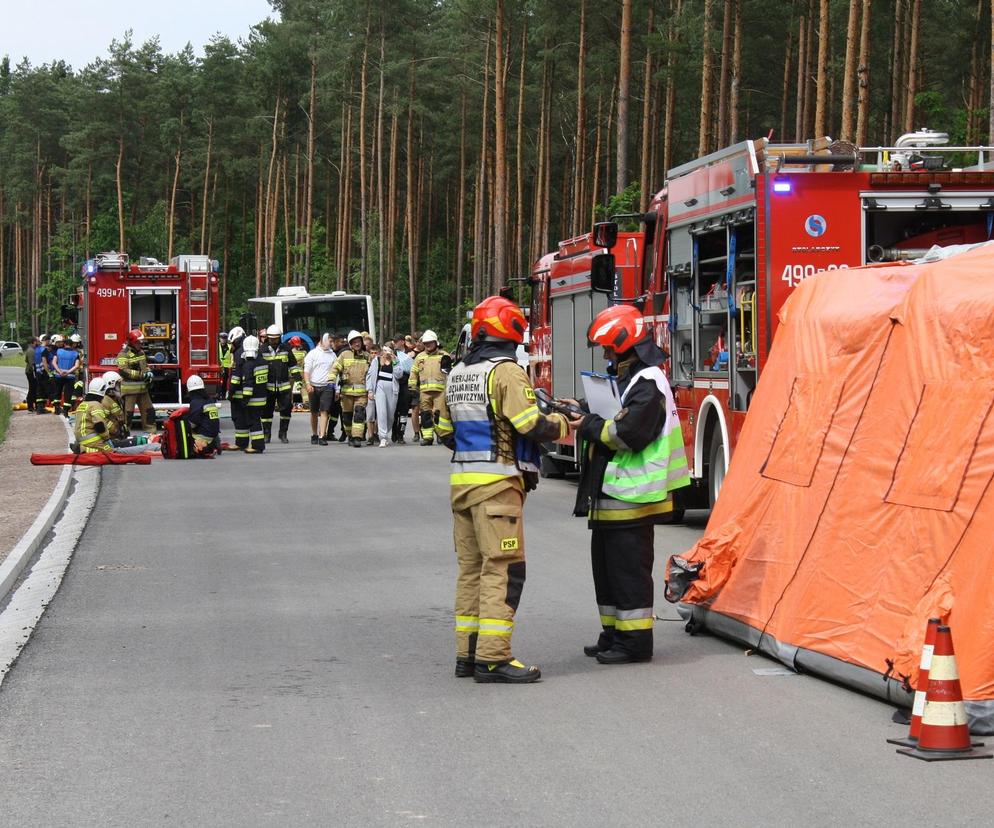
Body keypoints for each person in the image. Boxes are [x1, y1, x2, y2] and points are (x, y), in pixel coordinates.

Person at [435, 296, 577, 684]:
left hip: (462, 486)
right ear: (511, 330)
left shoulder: (459, 372)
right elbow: (530, 424)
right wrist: (566, 424)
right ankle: (494, 658)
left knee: (471, 571)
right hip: (497, 488)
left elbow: (444, 432)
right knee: (504, 570)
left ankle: (467, 654)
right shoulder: (507, 372)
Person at [573, 305, 691, 665]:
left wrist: (587, 424)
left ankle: (635, 643)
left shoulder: (649, 382)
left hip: (635, 495)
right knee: (607, 571)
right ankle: (614, 634)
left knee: (627, 572)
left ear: (627, 346)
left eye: (610, 349)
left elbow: (627, 432)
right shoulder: (634, 380)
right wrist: (579, 408)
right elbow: (615, 409)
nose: (607, 356)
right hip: (616, 493)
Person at [329, 330, 370, 448]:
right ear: (350, 343)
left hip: (361, 394)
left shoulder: (367, 357)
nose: (357, 344)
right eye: (354, 342)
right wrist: (331, 380)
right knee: (346, 417)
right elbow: (335, 368)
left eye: (359, 342)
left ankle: (357, 437)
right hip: (346, 393)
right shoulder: (344, 355)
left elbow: (372, 373)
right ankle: (350, 436)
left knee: (359, 414)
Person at [261, 324, 301, 443]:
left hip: (284, 386)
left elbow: (293, 365)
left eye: (276, 338)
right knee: (266, 412)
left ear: (279, 337)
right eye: (271, 338)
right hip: (268, 387)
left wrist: (298, 379)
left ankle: (283, 434)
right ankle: (266, 435)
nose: (274, 341)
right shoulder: (262, 350)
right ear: (268, 337)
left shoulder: (286, 348)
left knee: (286, 410)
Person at [409, 329, 448, 445]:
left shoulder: (444, 356)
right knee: (425, 415)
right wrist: (412, 387)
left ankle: (441, 436)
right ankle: (427, 437)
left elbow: (451, 372)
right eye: (426, 343)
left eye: (430, 342)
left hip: (440, 391)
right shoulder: (420, 357)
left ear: (436, 342)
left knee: (440, 415)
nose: (428, 345)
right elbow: (414, 372)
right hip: (424, 392)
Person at [117, 329, 156, 432]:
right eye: (138, 342)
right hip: (130, 391)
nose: (141, 344)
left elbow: (144, 366)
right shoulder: (123, 354)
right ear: (132, 342)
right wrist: (142, 375)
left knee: (149, 412)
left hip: (143, 389)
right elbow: (123, 371)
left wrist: (148, 371)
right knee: (127, 415)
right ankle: (125, 435)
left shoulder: (141, 353)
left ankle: (152, 434)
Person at [303, 333, 337, 445]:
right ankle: (314, 434)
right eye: (329, 341)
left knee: (325, 411)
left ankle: (322, 435)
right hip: (313, 386)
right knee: (313, 412)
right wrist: (308, 384)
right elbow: (307, 370)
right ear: (323, 340)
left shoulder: (333, 355)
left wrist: (336, 388)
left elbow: (336, 372)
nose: (331, 344)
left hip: (327, 386)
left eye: (332, 342)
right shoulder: (312, 354)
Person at [367, 345, 404, 448]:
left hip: (392, 388)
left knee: (390, 415)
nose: (386, 353)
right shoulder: (377, 360)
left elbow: (399, 375)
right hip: (380, 387)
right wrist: (370, 390)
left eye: (388, 350)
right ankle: (383, 437)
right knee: (381, 412)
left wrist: (395, 361)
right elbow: (370, 375)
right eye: (384, 350)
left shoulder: (396, 361)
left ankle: (385, 432)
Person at [239, 335, 268, 453]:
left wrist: (245, 399)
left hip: (252, 400)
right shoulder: (264, 362)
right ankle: (258, 444)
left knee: (253, 422)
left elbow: (248, 383)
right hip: (262, 398)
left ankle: (257, 446)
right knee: (257, 421)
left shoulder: (248, 365)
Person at [73, 377, 114, 453]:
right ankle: (83, 449)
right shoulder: (96, 405)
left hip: (80, 438)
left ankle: (81, 447)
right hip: (90, 439)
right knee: (110, 452)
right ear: (102, 391)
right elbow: (99, 425)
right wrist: (106, 438)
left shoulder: (83, 404)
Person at [185, 374, 221, 456]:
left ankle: (202, 447)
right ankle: (213, 445)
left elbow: (192, 424)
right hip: (214, 436)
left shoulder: (196, 402)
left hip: (202, 437)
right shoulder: (210, 400)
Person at [226, 326, 249, 450]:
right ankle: (242, 442)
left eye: (232, 342)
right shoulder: (244, 350)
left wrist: (231, 391)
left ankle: (240, 443)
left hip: (238, 392)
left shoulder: (239, 353)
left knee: (238, 418)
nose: (231, 345)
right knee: (243, 418)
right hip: (245, 391)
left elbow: (236, 375)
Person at [391, 336, 414, 443]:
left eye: (396, 341)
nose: (394, 343)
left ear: (402, 342)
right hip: (395, 384)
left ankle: (401, 434)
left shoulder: (410, 353)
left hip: (406, 385)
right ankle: (394, 432)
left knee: (404, 412)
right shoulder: (392, 353)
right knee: (394, 411)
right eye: (393, 342)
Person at [52, 335, 80, 415]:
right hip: (70, 376)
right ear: (72, 345)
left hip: (58, 375)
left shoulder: (58, 351)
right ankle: (65, 411)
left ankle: (57, 409)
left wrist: (60, 371)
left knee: (57, 392)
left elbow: (54, 362)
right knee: (68, 394)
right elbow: (77, 365)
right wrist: (68, 372)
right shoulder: (75, 353)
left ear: (64, 344)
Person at [100, 371, 128, 439]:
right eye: (118, 384)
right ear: (111, 385)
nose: (121, 387)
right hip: (111, 438)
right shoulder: (104, 401)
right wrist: (116, 431)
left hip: (118, 436)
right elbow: (103, 420)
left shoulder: (116, 399)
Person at [23, 337, 38, 412]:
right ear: (33, 342)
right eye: (36, 342)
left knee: (33, 388)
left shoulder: (29, 350)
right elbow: (32, 363)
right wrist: (35, 374)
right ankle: (30, 406)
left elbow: (26, 360)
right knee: (32, 389)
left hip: (29, 371)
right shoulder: (32, 351)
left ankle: (32, 405)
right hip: (31, 372)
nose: (37, 343)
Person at [218, 332, 232, 400]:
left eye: (224, 338)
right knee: (218, 381)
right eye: (221, 338)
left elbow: (232, 356)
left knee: (225, 382)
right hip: (219, 367)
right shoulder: (217, 346)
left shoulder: (230, 347)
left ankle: (223, 395)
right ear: (219, 339)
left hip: (227, 367)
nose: (223, 339)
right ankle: (218, 394)